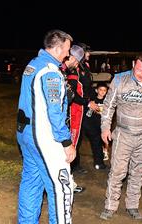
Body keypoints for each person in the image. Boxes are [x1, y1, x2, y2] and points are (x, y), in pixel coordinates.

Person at [16, 29, 91, 224]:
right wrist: (66, 143)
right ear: (57, 48)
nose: (68, 56)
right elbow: (55, 113)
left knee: (32, 180)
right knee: (62, 186)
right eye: (67, 51)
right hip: (44, 138)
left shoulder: (33, 64)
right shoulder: (51, 73)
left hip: (25, 134)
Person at [99, 52, 142, 220]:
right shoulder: (120, 80)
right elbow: (108, 106)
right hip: (123, 133)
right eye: (139, 70)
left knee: (137, 172)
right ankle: (110, 205)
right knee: (117, 171)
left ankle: (132, 205)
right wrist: (105, 128)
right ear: (133, 64)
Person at [61, 45, 86, 194]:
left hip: (66, 116)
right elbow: (70, 96)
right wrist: (86, 102)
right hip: (67, 117)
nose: (77, 65)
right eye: (77, 62)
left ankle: (67, 181)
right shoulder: (63, 71)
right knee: (67, 151)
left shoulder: (65, 71)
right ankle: (67, 183)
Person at [71, 42, 99, 174]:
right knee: (75, 137)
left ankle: (98, 161)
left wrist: (97, 97)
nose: (89, 54)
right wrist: (87, 102)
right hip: (77, 109)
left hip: (86, 106)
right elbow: (72, 94)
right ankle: (72, 165)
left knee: (93, 133)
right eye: (87, 52)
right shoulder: (73, 69)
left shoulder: (85, 66)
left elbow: (88, 87)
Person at [81, 81, 109, 170]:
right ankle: (98, 163)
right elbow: (88, 114)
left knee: (100, 143)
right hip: (92, 126)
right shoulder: (93, 101)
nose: (102, 92)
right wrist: (92, 109)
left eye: (104, 90)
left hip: (102, 126)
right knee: (96, 144)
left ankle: (100, 161)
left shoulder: (107, 101)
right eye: (100, 90)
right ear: (97, 90)